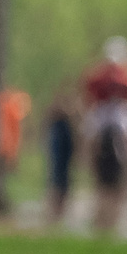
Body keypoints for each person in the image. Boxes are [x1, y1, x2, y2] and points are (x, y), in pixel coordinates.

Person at [82, 38, 127, 236]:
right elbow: (90, 98)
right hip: (103, 115)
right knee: (91, 136)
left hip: (119, 117)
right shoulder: (98, 76)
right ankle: (87, 162)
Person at [44, 96, 78, 226]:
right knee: (57, 184)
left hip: (64, 162)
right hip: (59, 162)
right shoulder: (57, 127)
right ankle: (53, 214)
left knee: (62, 184)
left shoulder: (66, 126)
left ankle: (58, 214)